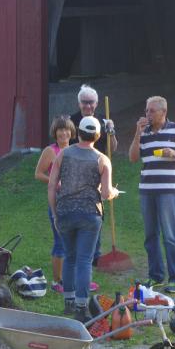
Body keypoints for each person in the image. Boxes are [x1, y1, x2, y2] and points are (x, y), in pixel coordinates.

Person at [48, 116, 120, 322]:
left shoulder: (63, 154)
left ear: (78, 133)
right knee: (84, 260)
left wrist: (55, 213)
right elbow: (105, 193)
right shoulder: (102, 159)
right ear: (97, 136)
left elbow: (52, 186)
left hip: (65, 212)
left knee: (70, 257)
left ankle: (69, 303)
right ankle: (81, 307)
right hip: (90, 214)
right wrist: (114, 193)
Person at [129, 96, 175, 293]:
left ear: (163, 112)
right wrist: (137, 133)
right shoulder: (144, 132)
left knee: (170, 235)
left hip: (168, 190)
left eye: (152, 111)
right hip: (147, 190)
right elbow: (133, 157)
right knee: (150, 235)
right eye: (146, 110)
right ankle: (156, 275)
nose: (148, 114)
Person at [69, 84, 117, 268]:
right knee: (78, 214)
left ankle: (95, 254)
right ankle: (78, 252)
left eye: (91, 102)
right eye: (84, 102)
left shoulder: (104, 122)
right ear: (79, 103)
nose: (88, 106)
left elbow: (112, 149)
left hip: (98, 175)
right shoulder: (71, 122)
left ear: (96, 103)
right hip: (76, 175)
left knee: (96, 214)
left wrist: (111, 132)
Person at [35, 116, 75, 293]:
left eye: (67, 129)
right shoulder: (51, 151)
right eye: (60, 130)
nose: (64, 133)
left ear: (71, 132)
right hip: (58, 201)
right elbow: (38, 173)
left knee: (74, 242)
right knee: (60, 242)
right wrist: (55, 182)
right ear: (55, 132)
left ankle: (72, 278)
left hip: (75, 202)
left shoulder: (76, 150)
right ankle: (57, 281)